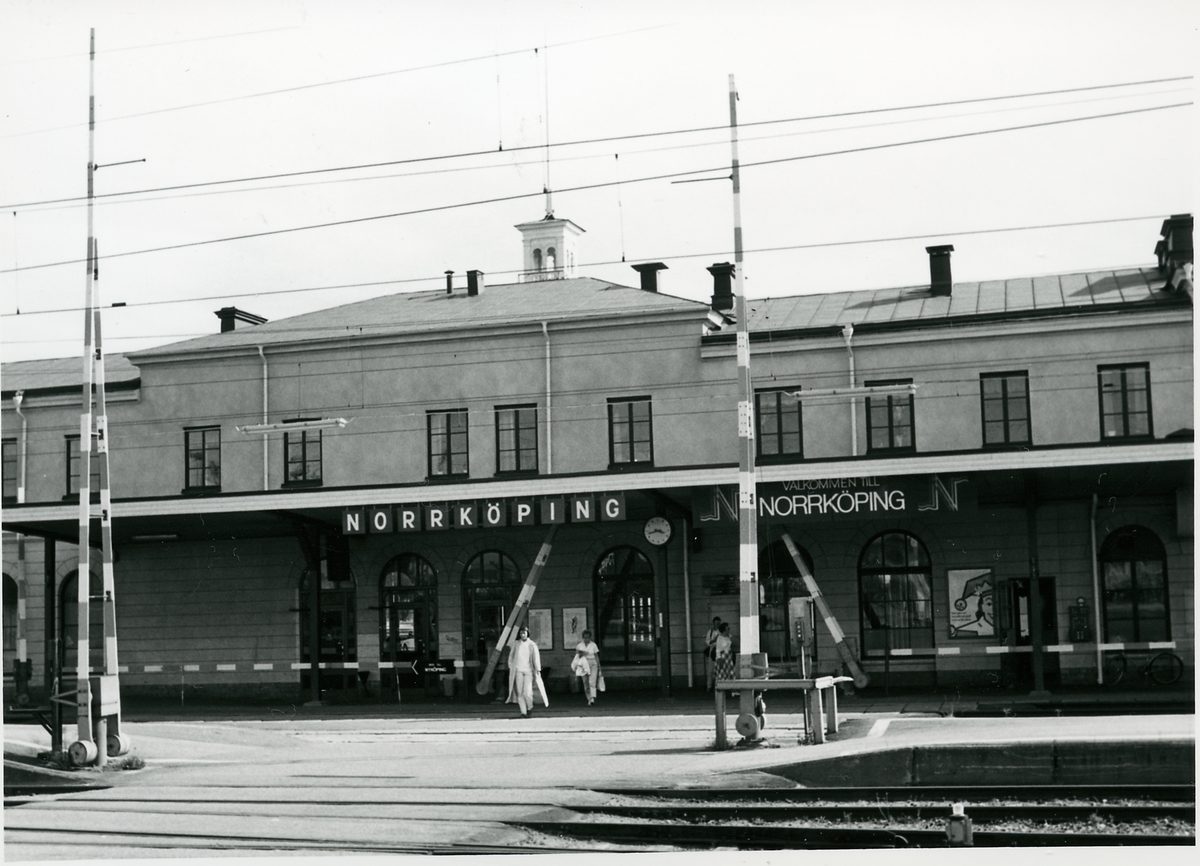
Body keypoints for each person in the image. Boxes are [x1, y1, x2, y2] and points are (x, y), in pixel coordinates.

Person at [506, 625, 543, 718]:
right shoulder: (516, 644)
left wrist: (538, 669)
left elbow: (536, 657)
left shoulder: (532, 644)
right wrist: (511, 666)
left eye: (524, 633)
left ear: (527, 633)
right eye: (521, 633)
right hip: (518, 670)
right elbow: (511, 656)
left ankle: (530, 707)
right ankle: (523, 712)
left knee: (527, 692)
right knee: (520, 692)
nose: (523, 635)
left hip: (528, 671)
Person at [572, 629, 601, 706]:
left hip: (593, 663)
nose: (587, 639)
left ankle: (592, 698)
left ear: (590, 637)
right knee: (586, 682)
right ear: (583, 637)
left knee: (592, 681)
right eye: (585, 637)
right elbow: (577, 654)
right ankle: (589, 698)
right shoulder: (579, 645)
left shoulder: (593, 645)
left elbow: (596, 656)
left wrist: (599, 666)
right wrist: (582, 653)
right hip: (584, 663)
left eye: (588, 637)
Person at [704, 616, 723, 690]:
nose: (717, 625)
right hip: (713, 650)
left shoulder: (722, 631)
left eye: (719, 623)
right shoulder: (710, 632)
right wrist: (714, 640)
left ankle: (719, 685)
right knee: (710, 670)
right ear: (713, 624)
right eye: (716, 623)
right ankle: (709, 686)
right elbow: (707, 642)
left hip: (720, 650)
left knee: (720, 669)